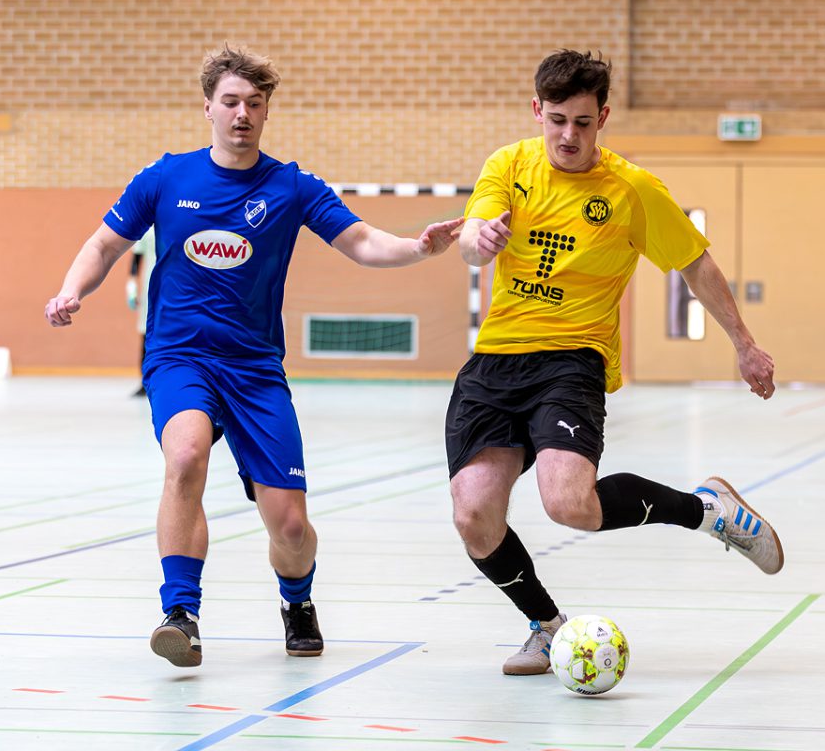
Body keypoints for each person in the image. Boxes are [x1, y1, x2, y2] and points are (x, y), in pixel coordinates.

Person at [45, 44, 462, 668]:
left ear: (267, 112)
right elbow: (104, 245)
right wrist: (71, 290)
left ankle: (297, 600)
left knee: (290, 527)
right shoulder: (164, 178)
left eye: (255, 103)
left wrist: (418, 248)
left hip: (255, 370)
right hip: (180, 357)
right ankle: (181, 614)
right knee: (185, 455)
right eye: (231, 101)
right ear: (208, 108)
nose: (242, 113)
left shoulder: (291, 187)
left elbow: (362, 242)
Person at [446, 49, 782, 677]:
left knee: (570, 504)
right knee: (474, 517)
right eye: (556, 121)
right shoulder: (508, 164)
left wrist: (744, 343)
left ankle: (707, 510)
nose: (568, 136)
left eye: (582, 122)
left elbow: (696, 264)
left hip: (573, 359)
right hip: (495, 364)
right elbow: (472, 238)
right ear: (537, 110)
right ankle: (547, 627)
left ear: (602, 117)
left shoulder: (632, 190)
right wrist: (477, 239)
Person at [126, 227, 155, 397]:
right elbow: (136, 259)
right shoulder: (147, 230)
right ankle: (144, 381)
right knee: (145, 332)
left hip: (172, 286)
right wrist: (131, 286)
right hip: (148, 288)